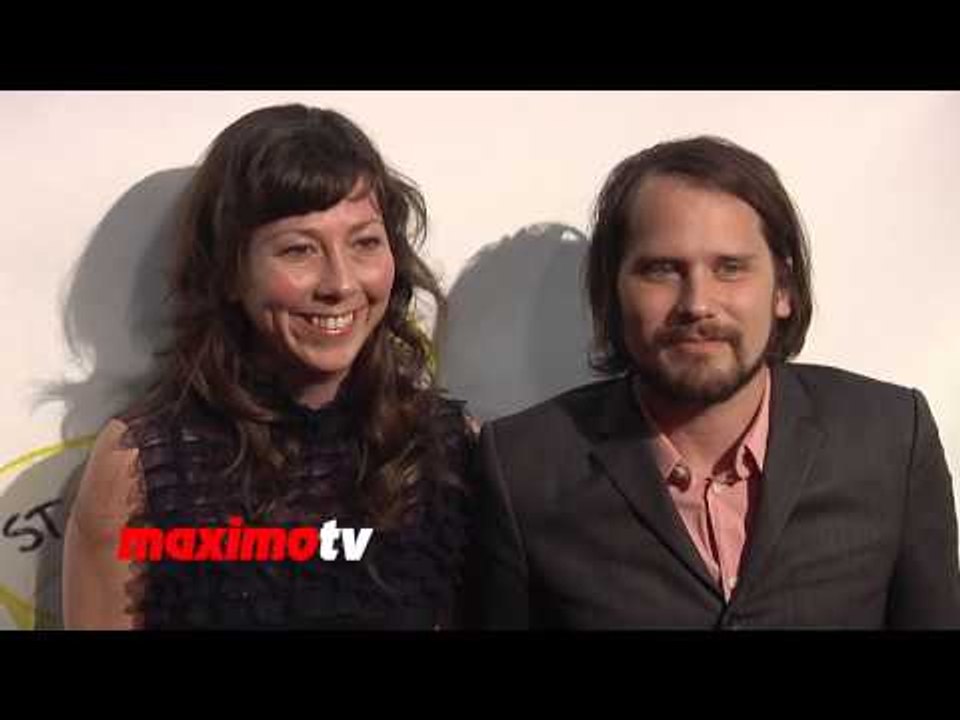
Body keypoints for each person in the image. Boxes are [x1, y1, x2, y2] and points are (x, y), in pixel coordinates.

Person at [469, 135, 960, 629]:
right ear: (612, 291)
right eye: (662, 269)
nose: (697, 303)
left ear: (783, 289)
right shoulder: (523, 467)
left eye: (730, 268)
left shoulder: (893, 439)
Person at [63, 104, 474, 629]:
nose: (340, 284)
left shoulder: (449, 446)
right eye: (300, 249)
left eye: (366, 242)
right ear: (230, 271)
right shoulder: (138, 469)